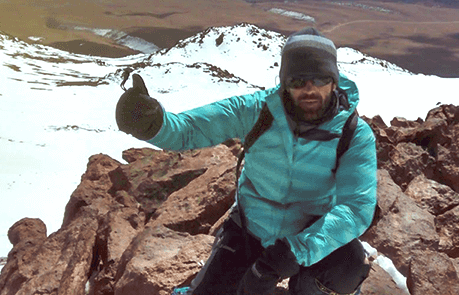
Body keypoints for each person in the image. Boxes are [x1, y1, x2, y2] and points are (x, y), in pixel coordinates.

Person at [115, 27, 377, 295]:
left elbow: (356, 208)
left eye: (320, 79)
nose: (309, 90)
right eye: (298, 81)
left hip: (309, 232)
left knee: (348, 266)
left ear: (334, 81)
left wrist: (292, 253)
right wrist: (153, 124)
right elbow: (192, 129)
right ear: (285, 83)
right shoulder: (258, 111)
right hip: (251, 231)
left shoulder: (353, 133)